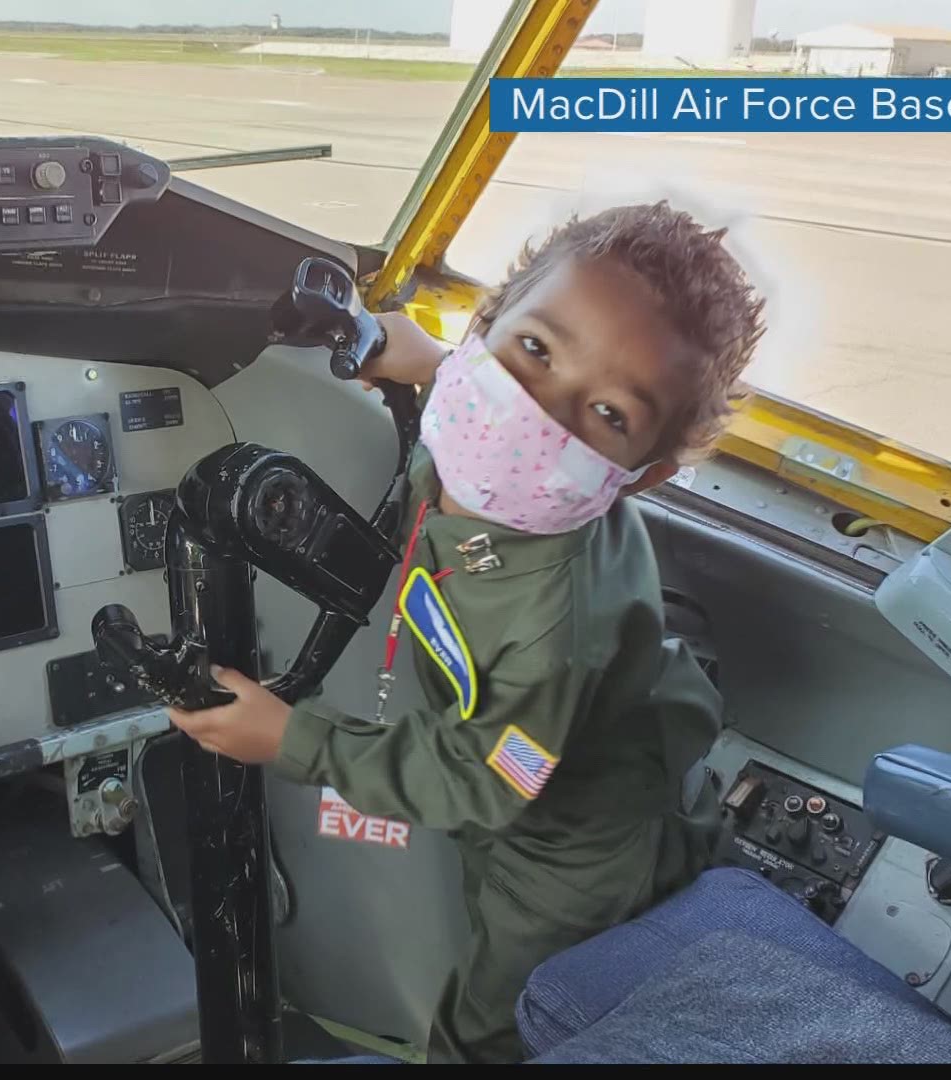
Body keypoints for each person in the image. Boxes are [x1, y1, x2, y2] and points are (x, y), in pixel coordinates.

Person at [168, 201, 768, 1063]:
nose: (534, 416)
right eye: (532, 348)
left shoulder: (554, 621)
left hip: (568, 846)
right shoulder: (501, 455)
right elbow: (496, 423)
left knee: (497, 1027)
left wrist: (296, 741)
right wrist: (428, 363)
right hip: (609, 763)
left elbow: (491, 780)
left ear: (646, 476)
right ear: (487, 322)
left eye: (606, 415)